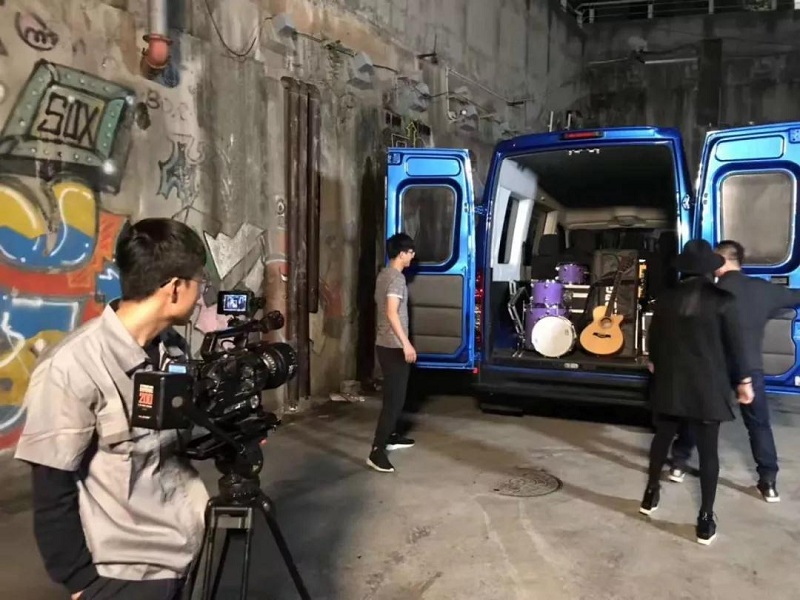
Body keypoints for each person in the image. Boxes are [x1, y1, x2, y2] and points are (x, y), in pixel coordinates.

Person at [14, 218, 210, 599]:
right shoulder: (72, 367)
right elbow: (51, 489)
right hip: (125, 575)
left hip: (184, 551)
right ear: (174, 288)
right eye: (199, 280)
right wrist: (82, 583)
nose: (202, 293)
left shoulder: (172, 350)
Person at [640, 239, 754, 546]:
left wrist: (656, 363)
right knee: (708, 454)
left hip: (671, 385)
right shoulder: (724, 301)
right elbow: (736, 347)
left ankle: (650, 494)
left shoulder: (665, 300)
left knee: (661, 440)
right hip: (708, 388)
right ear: (711, 270)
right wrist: (744, 382)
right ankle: (705, 519)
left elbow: (654, 341)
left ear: (684, 270)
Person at [668, 240, 800, 502]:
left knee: (697, 417)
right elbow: (796, 297)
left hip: (713, 368)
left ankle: (678, 464)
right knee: (759, 425)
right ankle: (768, 482)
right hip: (750, 368)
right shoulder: (763, 290)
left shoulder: (710, 292)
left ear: (720, 261)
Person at [367, 233, 417, 473]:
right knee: (394, 401)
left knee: (395, 395)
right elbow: (391, 312)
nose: (413, 256)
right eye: (410, 252)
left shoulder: (383, 275)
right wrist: (406, 344)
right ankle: (376, 452)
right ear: (401, 253)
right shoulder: (396, 279)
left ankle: (392, 436)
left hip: (384, 343)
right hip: (393, 346)